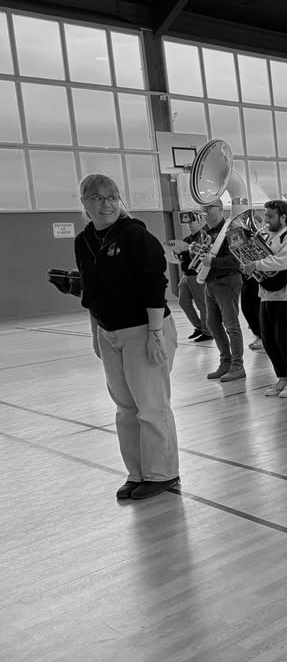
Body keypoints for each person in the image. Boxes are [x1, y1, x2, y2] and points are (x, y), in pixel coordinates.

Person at [74, 174, 180, 500]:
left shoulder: (135, 235)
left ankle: (162, 473)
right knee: (125, 407)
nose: (105, 204)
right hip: (110, 332)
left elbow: (154, 286)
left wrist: (155, 334)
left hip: (144, 330)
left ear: (119, 200)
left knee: (151, 405)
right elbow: (91, 293)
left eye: (111, 197)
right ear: (85, 204)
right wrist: (96, 334)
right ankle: (137, 473)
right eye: (97, 198)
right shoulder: (84, 241)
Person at [242, 199, 287, 397]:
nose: (266, 220)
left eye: (270, 216)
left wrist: (256, 264)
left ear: (283, 217)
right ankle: (283, 377)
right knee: (270, 341)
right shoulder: (266, 236)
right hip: (267, 295)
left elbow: (283, 261)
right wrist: (246, 263)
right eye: (266, 215)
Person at [199, 198, 246, 381]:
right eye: (203, 207)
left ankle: (237, 365)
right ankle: (225, 362)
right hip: (210, 282)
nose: (204, 210)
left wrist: (212, 262)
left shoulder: (232, 229)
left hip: (227, 281)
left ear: (219, 209)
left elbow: (237, 260)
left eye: (208, 207)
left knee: (231, 325)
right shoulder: (205, 232)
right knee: (212, 324)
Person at [174, 212, 212, 342]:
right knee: (183, 302)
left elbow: (201, 252)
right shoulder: (186, 239)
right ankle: (199, 326)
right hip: (186, 275)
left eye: (192, 222)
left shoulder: (204, 237)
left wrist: (184, 253)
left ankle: (208, 331)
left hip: (196, 275)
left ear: (200, 222)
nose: (190, 225)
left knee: (202, 304)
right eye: (188, 223)